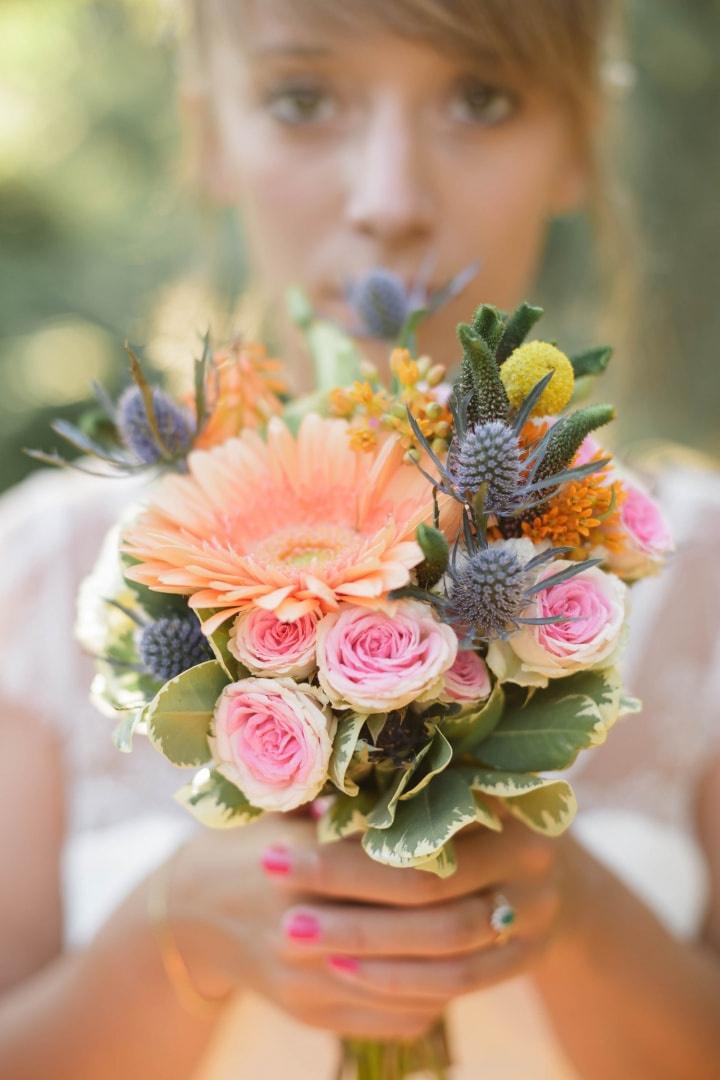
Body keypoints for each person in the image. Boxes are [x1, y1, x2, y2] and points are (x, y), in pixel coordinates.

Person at [1, 2, 719, 1077]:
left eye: (482, 99)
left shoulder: (698, 571)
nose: (390, 202)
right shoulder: (47, 565)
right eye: (303, 100)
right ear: (209, 133)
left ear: (575, 139)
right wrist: (177, 936)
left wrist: (574, 915)